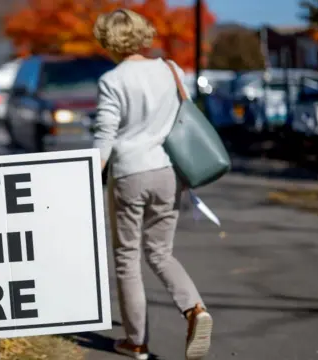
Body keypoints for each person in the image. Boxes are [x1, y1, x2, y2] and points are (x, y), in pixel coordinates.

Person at [92, 9, 213, 360]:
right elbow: (183, 118)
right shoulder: (171, 70)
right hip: (167, 171)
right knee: (161, 252)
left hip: (129, 173)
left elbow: (105, 136)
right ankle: (194, 310)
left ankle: (136, 342)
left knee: (127, 258)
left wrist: (88, 176)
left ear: (109, 40)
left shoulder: (112, 81)